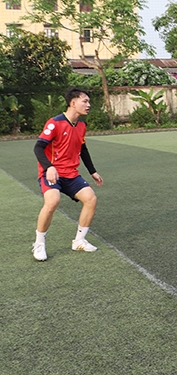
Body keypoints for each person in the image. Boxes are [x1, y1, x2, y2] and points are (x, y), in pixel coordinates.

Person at [32, 87, 104, 261]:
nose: (89, 105)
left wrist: (92, 172)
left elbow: (83, 149)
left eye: (88, 101)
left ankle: (79, 241)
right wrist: (49, 167)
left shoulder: (81, 125)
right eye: (84, 101)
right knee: (53, 201)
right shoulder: (54, 123)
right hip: (52, 174)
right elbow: (38, 147)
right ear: (73, 103)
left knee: (91, 199)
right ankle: (39, 243)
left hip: (71, 174)